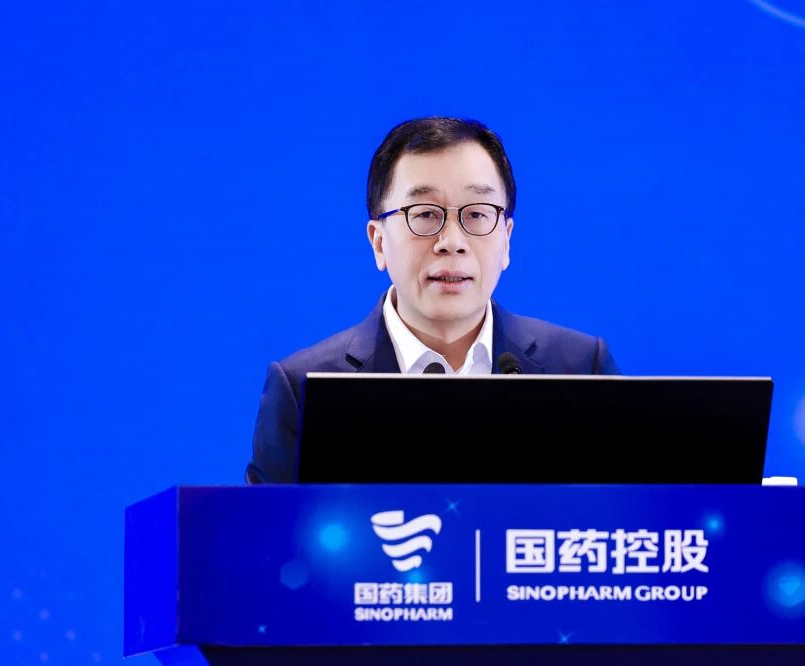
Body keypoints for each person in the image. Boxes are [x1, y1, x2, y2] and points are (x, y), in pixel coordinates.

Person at [246, 116, 620, 484]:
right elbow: (262, 526)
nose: (452, 242)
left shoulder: (581, 370)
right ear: (379, 242)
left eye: (477, 214)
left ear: (506, 239)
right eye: (424, 214)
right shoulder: (303, 390)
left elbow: (630, 517)